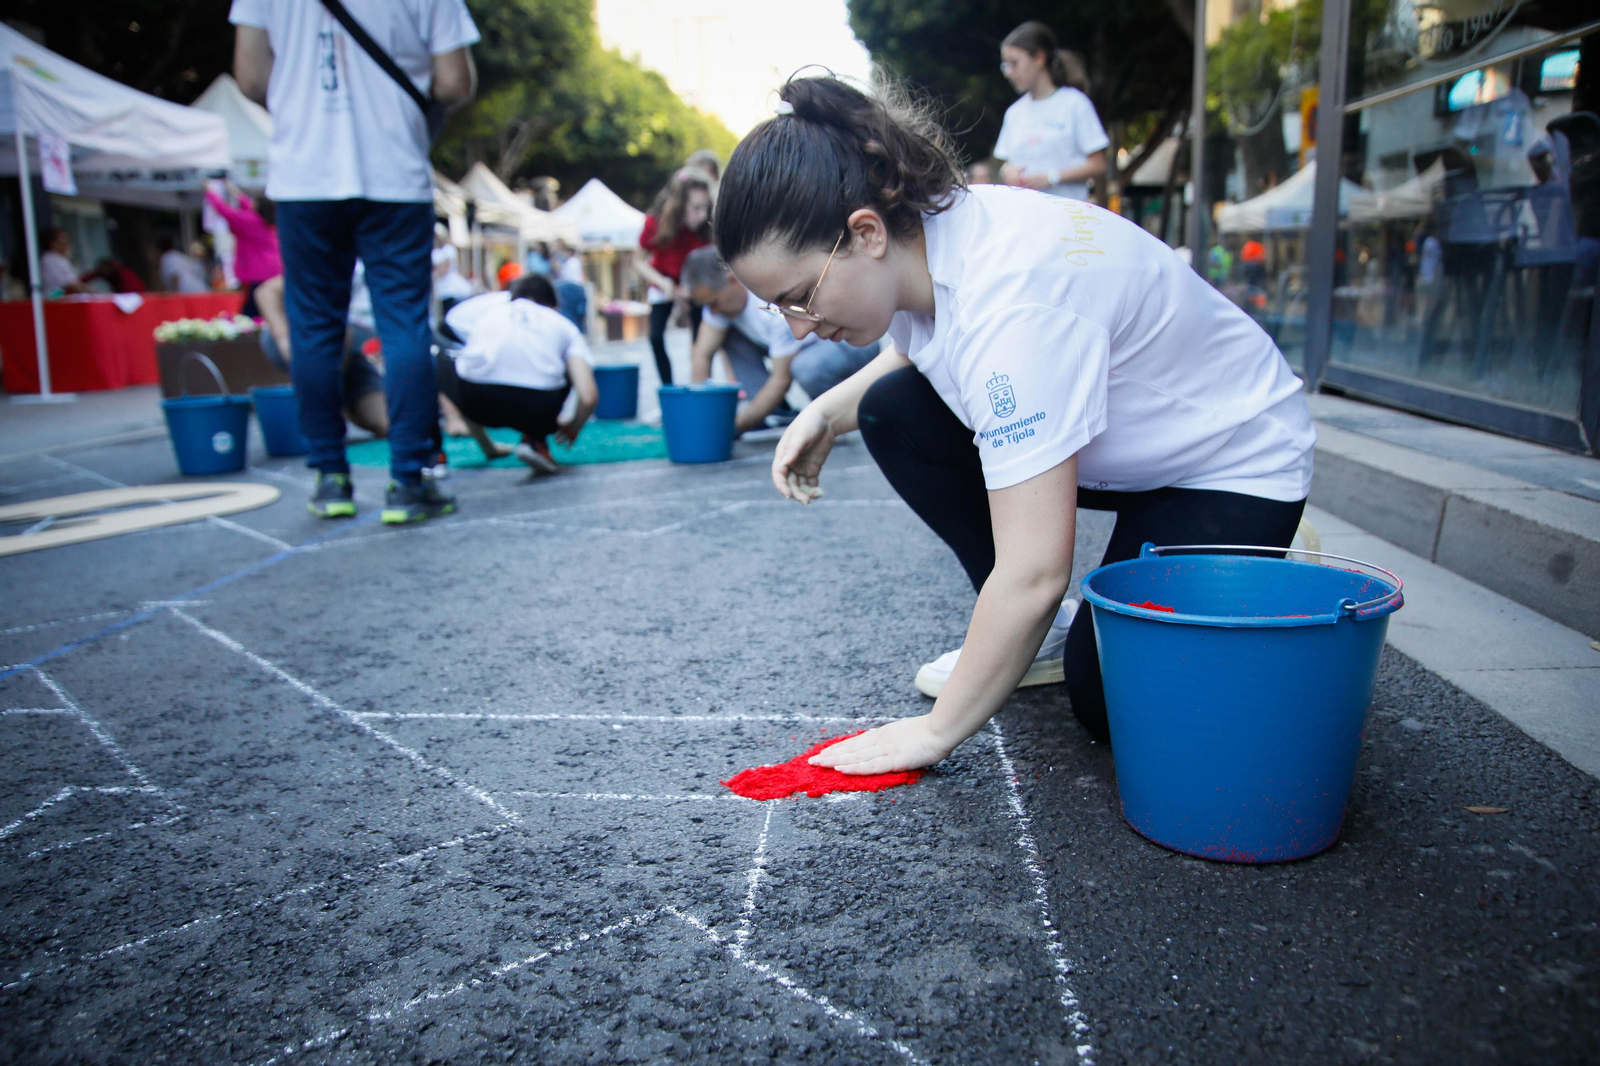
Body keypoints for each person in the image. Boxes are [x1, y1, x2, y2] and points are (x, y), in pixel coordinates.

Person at [714, 73, 1314, 775]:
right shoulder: (929, 234)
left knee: (1111, 702)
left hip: (1228, 462)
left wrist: (935, 732)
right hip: (1124, 443)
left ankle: (1254, 559)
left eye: (800, 298)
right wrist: (824, 412)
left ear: (866, 233)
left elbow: (1035, 572)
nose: (798, 328)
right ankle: (1049, 636)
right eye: (779, 310)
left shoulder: (1014, 309)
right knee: (890, 409)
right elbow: (921, 351)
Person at [231, 0, 478, 523]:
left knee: (314, 329)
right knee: (404, 324)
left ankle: (330, 478)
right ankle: (410, 479)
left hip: (304, 176)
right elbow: (454, 81)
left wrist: (305, 100)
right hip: (394, 172)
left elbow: (251, 77)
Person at [681, 245, 880, 434]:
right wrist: (699, 415)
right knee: (726, 336)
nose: (713, 312)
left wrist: (733, 427)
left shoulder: (767, 304)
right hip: (798, 350)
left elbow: (781, 380)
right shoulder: (720, 305)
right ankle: (772, 411)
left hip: (848, 345)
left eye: (714, 303)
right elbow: (702, 354)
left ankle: (838, 414)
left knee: (805, 368)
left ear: (732, 280)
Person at [438, 273, 598, 474]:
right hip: (539, 408)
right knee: (568, 361)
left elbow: (467, 365)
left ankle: (433, 454)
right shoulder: (562, 324)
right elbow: (588, 396)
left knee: (449, 360)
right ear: (553, 306)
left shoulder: (490, 313)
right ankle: (535, 441)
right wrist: (573, 427)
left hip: (477, 402)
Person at [993, 21, 1108, 202]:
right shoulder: (1014, 113)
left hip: (1067, 212)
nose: (1008, 72)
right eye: (1005, 65)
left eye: (1014, 63)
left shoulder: (1075, 103)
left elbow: (1099, 164)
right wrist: (1007, 171)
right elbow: (1006, 163)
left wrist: (1052, 177)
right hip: (1025, 211)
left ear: (1039, 58)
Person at [635, 169, 712, 386]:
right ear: (680, 205)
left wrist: (692, 289)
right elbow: (638, 261)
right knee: (655, 337)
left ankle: (699, 387)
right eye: (696, 208)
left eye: (705, 207)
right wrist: (663, 283)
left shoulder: (706, 229)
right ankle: (668, 389)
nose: (703, 214)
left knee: (701, 340)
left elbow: (712, 265)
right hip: (664, 283)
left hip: (694, 287)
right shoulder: (655, 223)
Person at [204, 180, 290, 360]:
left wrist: (210, 192)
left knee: (248, 320)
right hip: (276, 272)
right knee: (274, 315)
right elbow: (249, 205)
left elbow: (225, 211)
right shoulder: (269, 220)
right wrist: (234, 191)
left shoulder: (250, 221)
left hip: (258, 276)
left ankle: (250, 356)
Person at [432, 223, 475, 314]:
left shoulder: (448, 249)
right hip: (440, 291)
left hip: (451, 290)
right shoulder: (433, 251)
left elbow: (443, 269)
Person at [39, 229, 88, 295]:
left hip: (65, 297)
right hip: (54, 297)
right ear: (52, 243)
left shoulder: (62, 259)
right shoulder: (49, 259)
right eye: (62, 241)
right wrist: (96, 293)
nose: (66, 244)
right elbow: (70, 285)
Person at [82, 256, 146, 294]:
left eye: (105, 268)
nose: (104, 271)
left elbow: (130, 290)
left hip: (134, 294)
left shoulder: (123, 274)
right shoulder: (101, 272)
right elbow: (86, 278)